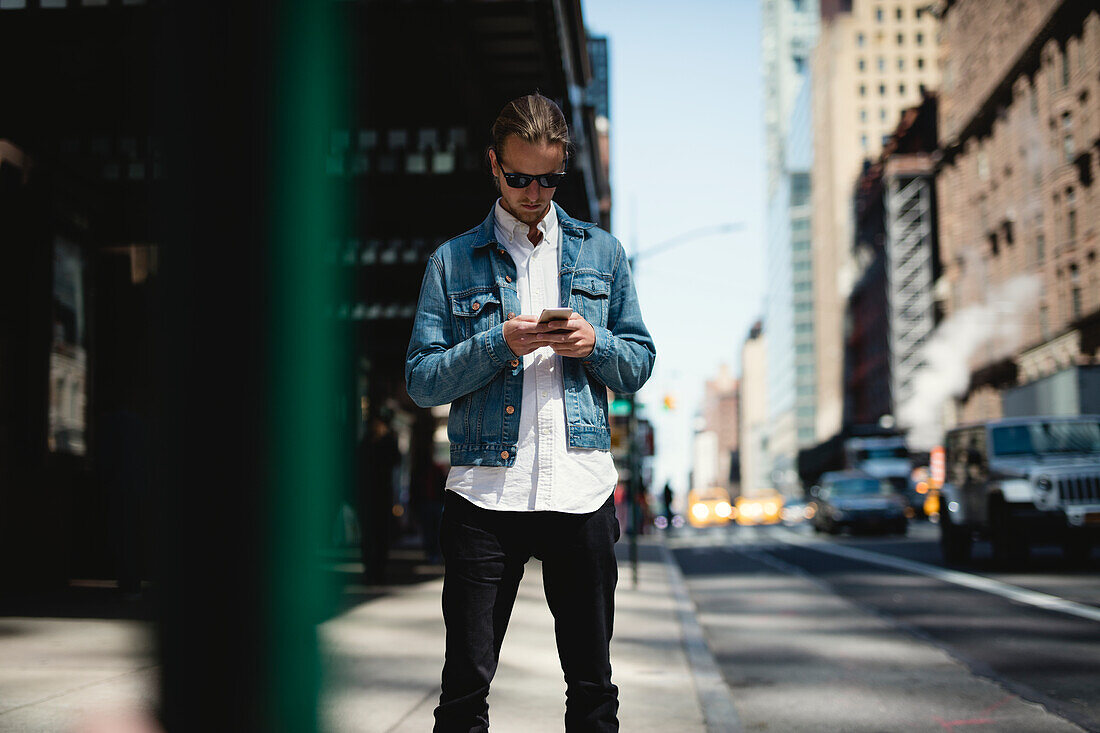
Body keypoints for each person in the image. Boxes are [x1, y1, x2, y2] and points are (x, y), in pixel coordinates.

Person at [405, 93, 655, 733]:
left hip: (581, 490)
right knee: (465, 683)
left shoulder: (603, 254)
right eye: (520, 178)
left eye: (548, 179)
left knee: (593, 684)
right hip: (486, 497)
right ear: (494, 165)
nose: (534, 192)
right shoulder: (452, 261)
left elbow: (639, 361)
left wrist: (595, 344)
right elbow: (422, 380)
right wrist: (498, 344)